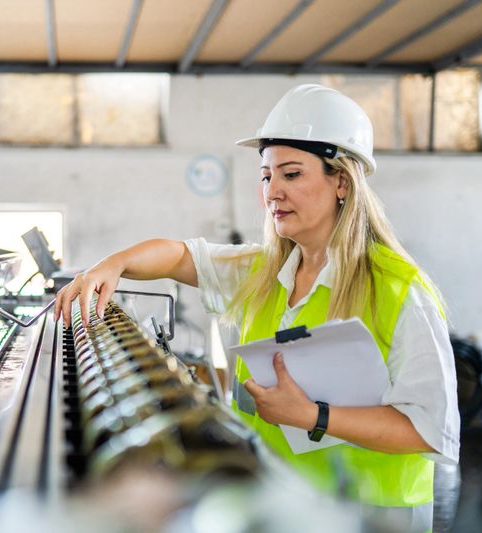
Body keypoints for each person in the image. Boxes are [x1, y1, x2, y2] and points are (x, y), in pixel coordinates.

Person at [53, 84, 459, 532]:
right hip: (279, 506)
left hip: (369, 516)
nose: (272, 193)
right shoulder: (266, 270)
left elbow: (428, 431)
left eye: (291, 174)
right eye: (266, 176)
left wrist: (313, 417)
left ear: (341, 181)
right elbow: (179, 256)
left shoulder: (400, 289)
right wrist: (114, 265)